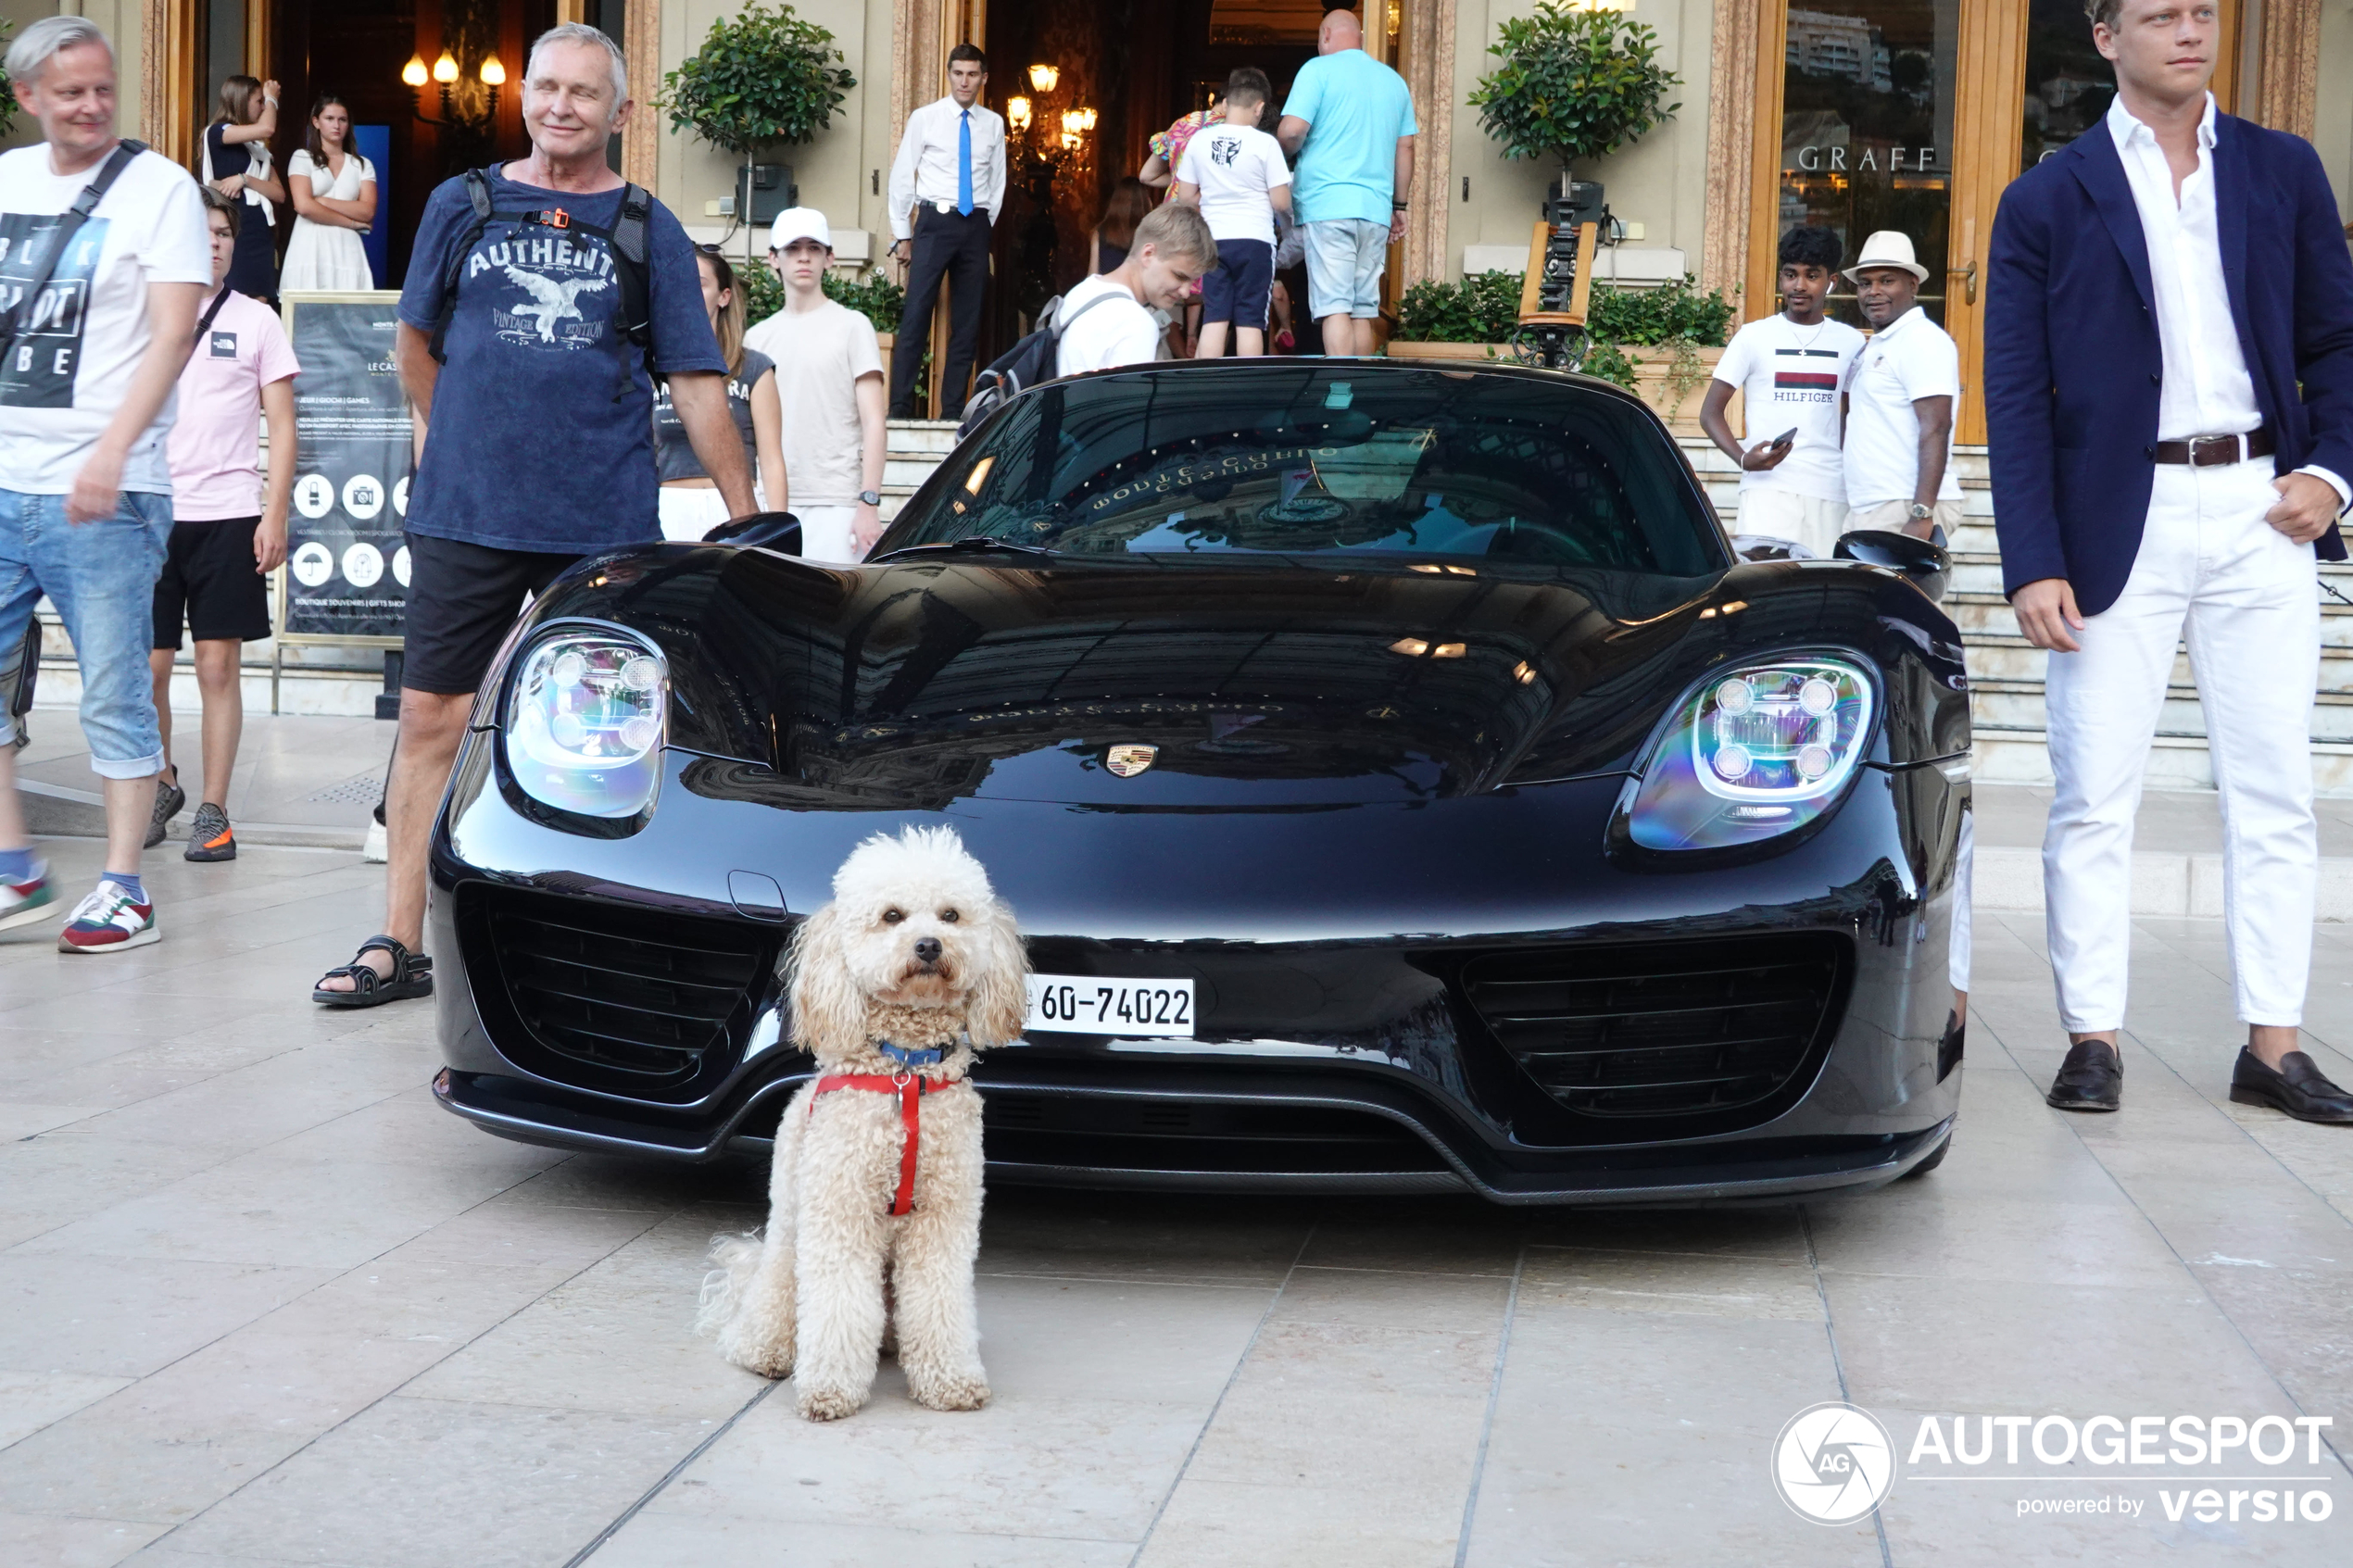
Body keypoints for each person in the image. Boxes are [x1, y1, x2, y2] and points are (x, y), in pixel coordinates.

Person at [312, 22, 752, 1005]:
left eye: (584, 93)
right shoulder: (460, 205)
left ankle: (588, 942)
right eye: (546, 87)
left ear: (620, 113)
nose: (561, 106)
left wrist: (743, 515)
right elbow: (415, 345)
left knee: (603, 737)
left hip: (600, 524)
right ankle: (398, 943)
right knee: (431, 715)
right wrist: (465, 436)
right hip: (466, 512)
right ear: (524, 96)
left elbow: (694, 378)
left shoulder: (647, 228)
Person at [1985, 0, 2353, 1123]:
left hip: (2256, 507)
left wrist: (2330, 470)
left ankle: (2272, 1045)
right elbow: (2012, 391)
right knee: (2093, 793)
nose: (2187, 31)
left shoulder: (2281, 169)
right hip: (2115, 520)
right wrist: (2031, 557)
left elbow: (2335, 337)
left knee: (2273, 791)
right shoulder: (2045, 195)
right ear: (2103, 36)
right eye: (2158, 14)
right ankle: (2090, 1036)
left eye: (2201, 11)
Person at [0, 17, 210, 951]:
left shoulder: (160, 190)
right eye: (70, 91)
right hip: (3, 478)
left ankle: (126, 886)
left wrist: (110, 453)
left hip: (109, 490)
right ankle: (17, 867)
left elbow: (173, 334)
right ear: (29, 98)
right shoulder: (5, 182)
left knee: (116, 691)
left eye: (102, 87)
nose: (91, 106)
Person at [147, 187, 298, 862]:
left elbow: (284, 423)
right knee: (147, 669)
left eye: (223, 233)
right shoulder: (148, 315)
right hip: (150, 514)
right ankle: (161, 781)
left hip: (229, 514)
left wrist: (275, 511)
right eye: (201, 231)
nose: (213, 243)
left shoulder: (258, 320)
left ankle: (214, 809)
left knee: (216, 667)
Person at [1699, 225, 1868, 558]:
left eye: (1812, 275)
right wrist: (1744, 459)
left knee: (1822, 592)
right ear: (1780, 278)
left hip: (1830, 490)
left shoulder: (1851, 342)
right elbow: (1709, 413)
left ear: (1831, 281)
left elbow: (1852, 419)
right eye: (1791, 275)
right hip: (1767, 491)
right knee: (1767, 595)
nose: (1799, 285)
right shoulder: (1753, 337)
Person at [744, 208, 887, 562]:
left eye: (814, 247)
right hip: (771, 501)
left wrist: (868, 502)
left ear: (830, 257)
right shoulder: (756, 338)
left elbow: (874, 421)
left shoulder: (854, 326)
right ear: (773, 259)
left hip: (837, 500)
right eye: (793, 248)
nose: (804, 256)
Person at [1277, 8, 1416, 359]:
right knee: (1363, 310)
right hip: (1374, 211)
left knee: (1334, 307)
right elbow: (1406, 147)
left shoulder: (1317, 70)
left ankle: (1339, 393)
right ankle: (1360, 395)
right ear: (1360, 37)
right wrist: (1399, 206)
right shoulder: (1393, 81)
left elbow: (1293, 130)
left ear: (1324, 36)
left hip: (1328, 206)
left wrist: (1283, 155)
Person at [885, 44, 1003, 420]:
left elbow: (997, 181)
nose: (964, 81)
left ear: (983, 78)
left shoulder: (994, 123)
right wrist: (903, 233)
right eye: (958, 73)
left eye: (972, 74)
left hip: (975, 224)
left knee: (967, 322)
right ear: (948, 75)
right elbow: (903, 174)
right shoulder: (926, 117)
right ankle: (900, 410)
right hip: (935, 222)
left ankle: (953, 412)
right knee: (916, 315)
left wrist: (984, 225)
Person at [653, 247, 786, 543]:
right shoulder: (655, 366)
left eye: (699, 283)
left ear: (724, 296)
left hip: (733, 510)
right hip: (669, 507)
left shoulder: (754, 368)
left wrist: (775, 533)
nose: (688, 291)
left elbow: (772, 458)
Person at [1840, 231, 1962, 541]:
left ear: (1913, 284)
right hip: (1876, 504)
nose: (1873, 291)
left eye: (1886, 280)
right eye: (1865, 283)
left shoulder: (1922, 339)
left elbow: (1936, 427)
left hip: (1903, 505)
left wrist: (1922, 512)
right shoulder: (1882, 342)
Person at [1173, 68, 1292, 360]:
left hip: (1213, 241)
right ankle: (1246, 393)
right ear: (1259, 107)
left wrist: (1215, 195)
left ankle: (1203, 389)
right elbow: (1280, 202)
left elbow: (1186, 197)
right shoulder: (1266, 144)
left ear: (1225, 103)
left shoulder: (1199, 141)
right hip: (1255, 241)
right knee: (1250, 321)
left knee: (1214, 317)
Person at [1055, 203, 1216, 378]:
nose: (1186, 292)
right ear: (1148, 254)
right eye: (1179, 276)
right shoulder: (1136, 323)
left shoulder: (1082, 292)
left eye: (1192, 281)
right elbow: (1130, 404)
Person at [201, 74, 285, 305]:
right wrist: (272, 98)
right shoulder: (217, 132)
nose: (262, 107)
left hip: (259, 233)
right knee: (229, 298)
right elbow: (267, 128)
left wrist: (245, 179)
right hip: (234, 230)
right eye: (259, 101)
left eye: (264, 102)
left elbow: (279, 194)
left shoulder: (258, 150)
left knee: (260, 301)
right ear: (241, 100)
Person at [280, 94, 377, 292]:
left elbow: (367, 211)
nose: (337, 125)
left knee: (349, 314)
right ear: (316, 122)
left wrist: (323, 201)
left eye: (342, 120)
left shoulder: (362, 164)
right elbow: (304, 206)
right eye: (329, 119)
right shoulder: (302, 157)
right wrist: (351, 222)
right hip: (309, 247)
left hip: (347, 251)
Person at [1089, 177, 1151, 276]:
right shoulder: (1150, 233)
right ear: (1144, 201)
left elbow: (1092, 274)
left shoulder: (1100, 232)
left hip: (1108, 289)